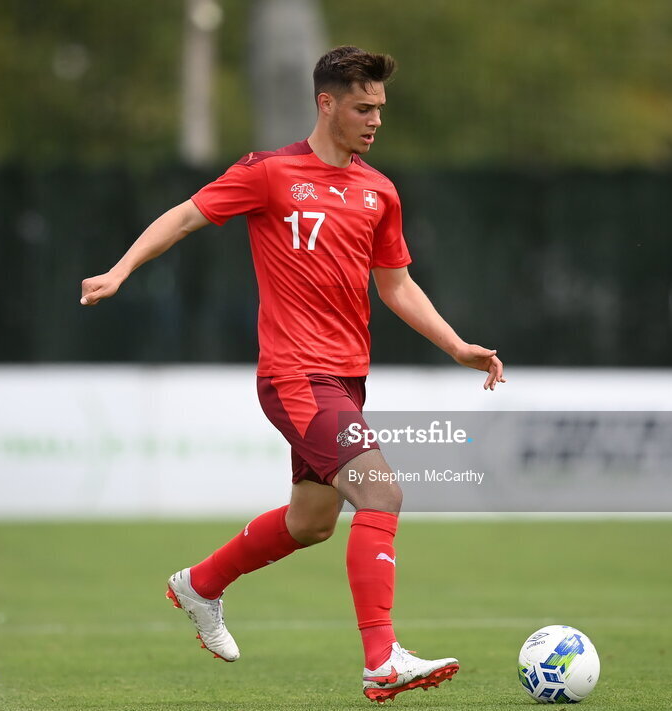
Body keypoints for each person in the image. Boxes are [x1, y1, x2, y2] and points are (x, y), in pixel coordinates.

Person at [80, 45, 505, 703]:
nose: (375, 120)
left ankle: (199, 584)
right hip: (295, 374)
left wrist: (455, 346)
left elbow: (396, 286)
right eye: (363, 107)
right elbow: (187, 215)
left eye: (381, 109)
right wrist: (121, 269)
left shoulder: (378, 191)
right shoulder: (271, 173)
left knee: (311, 521)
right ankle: (382, 657)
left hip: (346, 379)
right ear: (326, 102)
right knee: (382, 493)